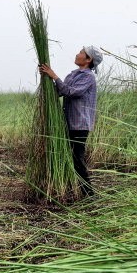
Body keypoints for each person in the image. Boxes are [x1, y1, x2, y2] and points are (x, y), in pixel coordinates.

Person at [39, 46, 103, 196]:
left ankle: (89, 194)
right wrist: (47, 80)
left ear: (89, 60)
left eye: (81, 53)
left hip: (80, 124)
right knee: (70, 157)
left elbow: (71, 92)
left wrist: (53, 76)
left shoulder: (88, 77)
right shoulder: (73, 74)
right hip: (68, 122)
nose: (77, 54)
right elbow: (61, 91)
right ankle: (73, 189)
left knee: (77, 159)